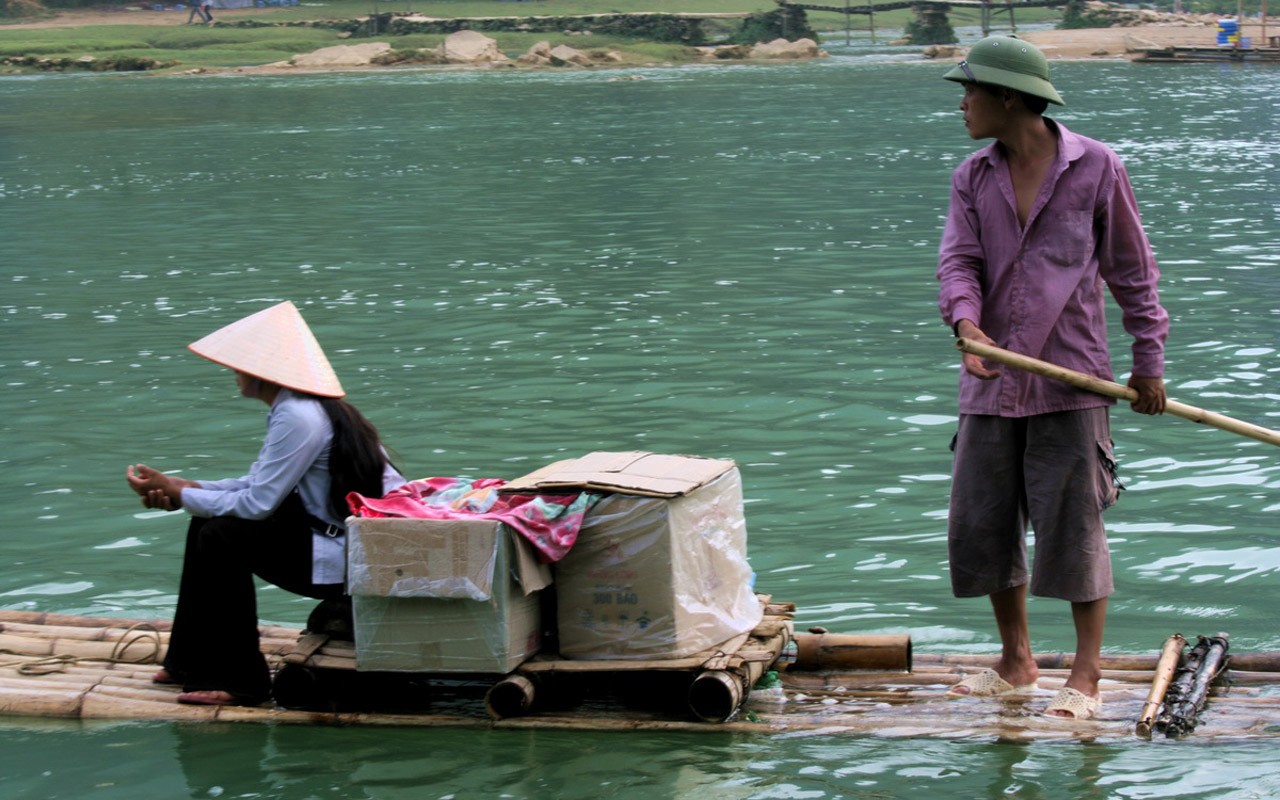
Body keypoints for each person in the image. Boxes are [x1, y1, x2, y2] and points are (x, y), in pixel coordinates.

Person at [935, 37, 1169, 720]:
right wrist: (967, 325)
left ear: (1009, 97)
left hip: (1071, 378)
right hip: (990, 376)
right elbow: (958, 263)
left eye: (971, 91)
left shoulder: (1096, 167)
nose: (962, 103)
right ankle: (1016, 663)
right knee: (983, 523)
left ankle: (1087, 677)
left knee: (1073, 526)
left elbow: (1133, 270)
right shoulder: (972, 177)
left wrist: (1147, 361)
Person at [126, 301, 405, 706]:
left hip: (348, 560)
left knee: (220, 535)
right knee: (206, 524)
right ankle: (188, 661)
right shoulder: (298, 409)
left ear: (264, 371)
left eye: (240, 365)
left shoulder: (298, 415)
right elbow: (257, 483)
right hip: (332, 539)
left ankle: (241, 681)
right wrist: (183, 486)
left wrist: (181, 494)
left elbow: (258, 503)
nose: (233, 372)